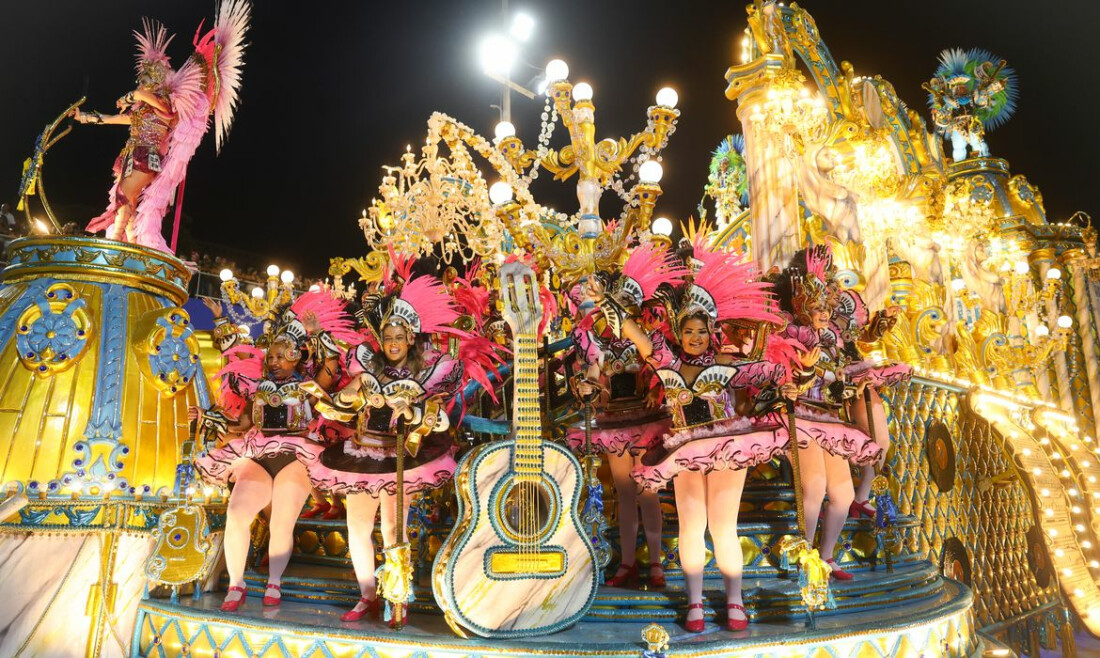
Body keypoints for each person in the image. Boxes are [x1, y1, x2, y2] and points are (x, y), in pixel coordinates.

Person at [589, 234, 797, 632]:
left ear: (711, 331)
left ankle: (734, 601)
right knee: (690, 526)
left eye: (702, 331)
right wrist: (604, 301)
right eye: (688, 332)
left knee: (722, 526)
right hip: (684, 448)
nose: (695, 337)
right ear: (679, 333)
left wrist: (783, 388)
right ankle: (696, 603)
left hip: (727, 447)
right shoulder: (666, 359)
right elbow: (631, 331)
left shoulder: (726, 362)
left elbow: (769, 374)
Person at [305, 264, 501, 624]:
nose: (393, 344)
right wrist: (339, 398)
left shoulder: (429, 372)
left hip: (401, 457)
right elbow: (345, 400)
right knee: (357, 527)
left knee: (394, 528)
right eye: (387, 337)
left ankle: (397, 597)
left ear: (411, 338)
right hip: (361, 453)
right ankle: (367, 596)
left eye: (399, 337)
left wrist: (409, 409)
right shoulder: (365, 365)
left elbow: (436, 418)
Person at [192, 290, 359, 612]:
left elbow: (331, 366)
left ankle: (274, 583)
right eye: (270, 357)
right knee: (238, 514)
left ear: (297, 357)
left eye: (282, 357)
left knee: (282, 522)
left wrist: (316, 332)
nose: (274, 362)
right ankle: (236, 584)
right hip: (257, 452)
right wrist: (206, 416)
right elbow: (239, 411)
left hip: (296, 456)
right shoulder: (257, 389)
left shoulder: (308, 388)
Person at [74, 3, 250, 252]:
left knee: (125, 194)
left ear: (157, 82)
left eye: (146, 80)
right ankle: (132, 248)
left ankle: (114, 248)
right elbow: (120, 119)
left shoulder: (165, 103)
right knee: (127, 201)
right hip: (130, 156)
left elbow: (165, 111)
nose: (141, 83)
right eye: (140, 79)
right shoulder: (143, 108)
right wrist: (88, 118)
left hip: (149, 157)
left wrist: (134, 95)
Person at [762, 245, 886, 580]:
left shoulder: (831, 340)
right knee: (814, 487)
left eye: (828, 306)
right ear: (801, 304)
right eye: (817, 306)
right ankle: (806, 554)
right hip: (799, 418)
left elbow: (838, 379)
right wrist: (798, 378)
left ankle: (827, 556)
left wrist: (848, 386)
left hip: (830, 420)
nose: (825, 311)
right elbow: (776, 379)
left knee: (844, 494)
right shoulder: (785, 335)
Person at [567, 243, 687, 589]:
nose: (617, 314)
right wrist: (589, 387)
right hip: (614, 422)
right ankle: (628, 563)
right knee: (624, 492)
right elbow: (594, 370)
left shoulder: (646, 336)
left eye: (625, 307)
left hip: (647, 420)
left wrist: (657, 389)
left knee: (647, 491)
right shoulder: (595, 339)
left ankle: (656, 564)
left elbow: (659, 363)